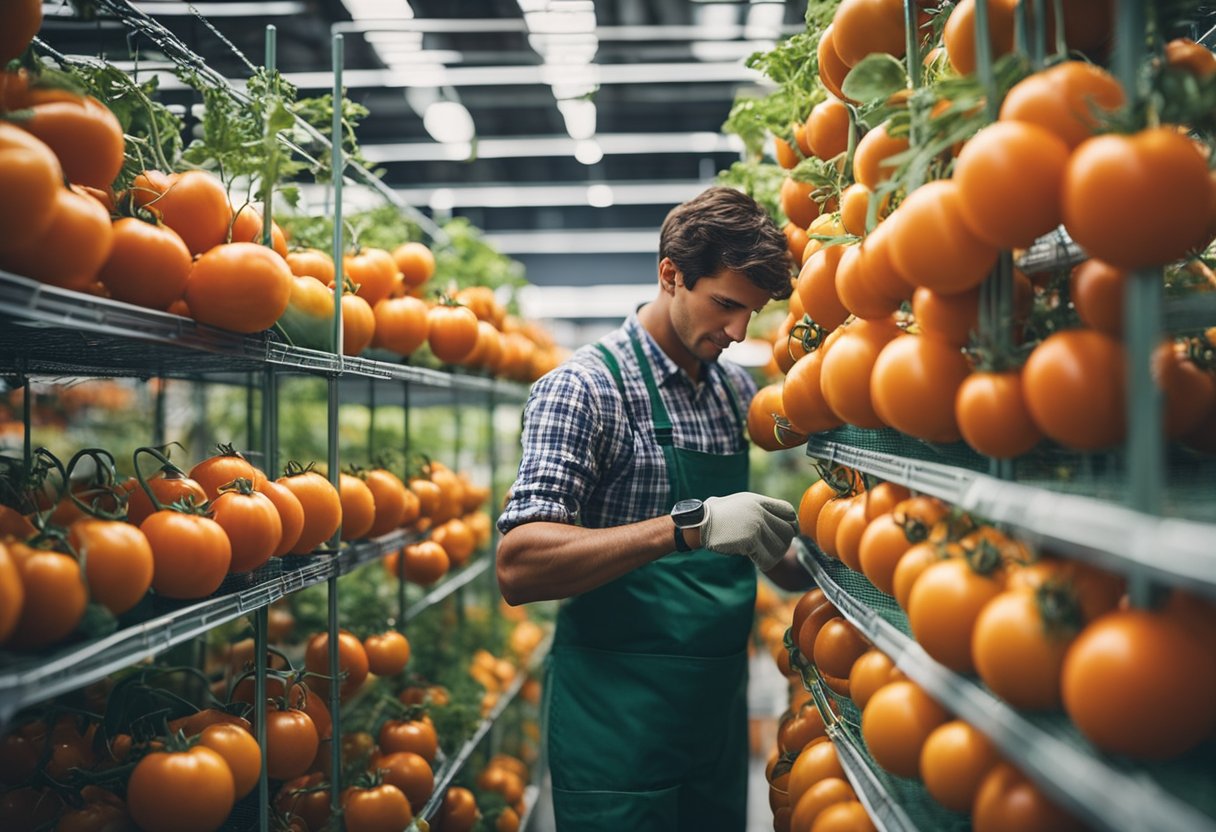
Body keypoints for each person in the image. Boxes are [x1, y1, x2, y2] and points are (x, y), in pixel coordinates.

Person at [496, 186, 812, 831]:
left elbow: (751, 550)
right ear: (671, 275)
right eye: (724, 304)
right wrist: (689, 527)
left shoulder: (730, 391)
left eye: (750, 313)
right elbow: (519, 565)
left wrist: (832, 567)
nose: (737, 332)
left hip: (715, 721)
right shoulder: (584, 389)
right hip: (618, 724)